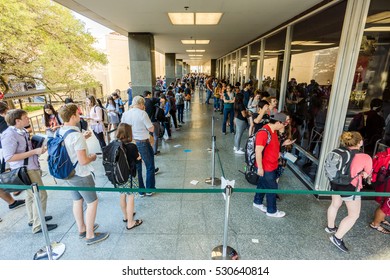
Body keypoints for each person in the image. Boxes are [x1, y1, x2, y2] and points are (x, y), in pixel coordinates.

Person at [58, 103, 109, 245]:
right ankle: (90, 234)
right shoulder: (76, 135)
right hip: (81, 174)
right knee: (92, 202)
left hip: (68, 172)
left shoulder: (60, 131)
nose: (80, 115)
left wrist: (82, 138)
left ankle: (82, 229)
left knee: (77, 201)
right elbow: (83, 161)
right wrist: (93, 157)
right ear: (73, 116)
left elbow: (69, 148)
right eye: (78, 113)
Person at [1, 109, 56, 233]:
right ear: (17, 120)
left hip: (31, 166)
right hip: (25, 170)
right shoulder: (9, 134)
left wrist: (37, 149)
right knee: (41, 195)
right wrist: (33, 152)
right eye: (25, 117)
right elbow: (9, 157)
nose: (28, 119)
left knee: (31, 196)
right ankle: (38, 225)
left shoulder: (21, 131)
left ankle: (34, 219)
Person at [326, 131, 372, 252]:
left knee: (335, 205)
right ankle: (337, 238)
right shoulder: (365, 157)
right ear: (360, 142)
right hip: (350, 188)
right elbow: (368, 175)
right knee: (353, 215)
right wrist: (363, 173)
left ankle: (330, 227)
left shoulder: (339, 152)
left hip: (336, 183)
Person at [252, 112, 294, 218]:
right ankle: (272, 211)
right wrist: (260, 168)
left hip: (271, 164)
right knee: (272, 188)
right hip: (266, 167)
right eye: (283, 124)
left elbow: (272, 146)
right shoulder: (264, 132)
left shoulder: (273, 131)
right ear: (278, 122)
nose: (284, 126)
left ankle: (257, 202)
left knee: (262, 184)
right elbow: (258, 151)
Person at [121, 96, 157, 196]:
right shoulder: (142, 113)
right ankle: (150, 189)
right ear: (141, 104)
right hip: (142, 142)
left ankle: (141, 190)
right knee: (149, 165)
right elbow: (151, 129)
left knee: (137, 167)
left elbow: (122, 128)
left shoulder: (125, 114)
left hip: (130, 143)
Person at [115, 123, 143, 230]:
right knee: (130, 197)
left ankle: (126, 217)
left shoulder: (115, 144)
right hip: (129, 175)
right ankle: (131, 222)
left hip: (119, 176)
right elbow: (137, 158)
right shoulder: (131, 146)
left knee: (122, 195)